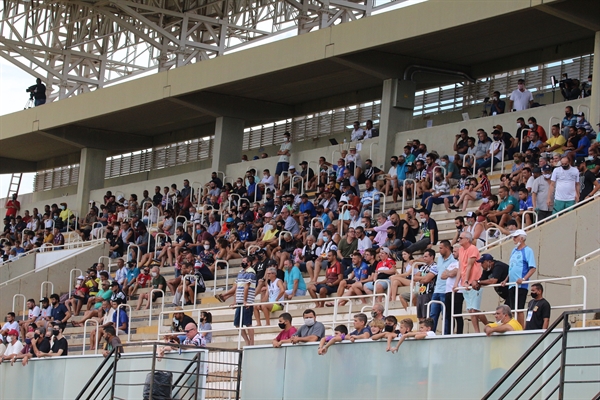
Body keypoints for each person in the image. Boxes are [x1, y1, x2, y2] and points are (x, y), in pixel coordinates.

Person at [503, 230, 536, 328]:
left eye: (516, 237)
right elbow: (511, 268)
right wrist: (506, 280)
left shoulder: (528, 250)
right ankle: (515, 326)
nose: (514, 239)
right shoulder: (514, 251)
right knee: (513, 309)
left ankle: (521, 328)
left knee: (519, 308)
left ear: (521, 238)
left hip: (521, 285)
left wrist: (524, 279)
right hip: (512, 284)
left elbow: (533, 268)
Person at [454, 231, 484, 333]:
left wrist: (466, 281)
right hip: (465, 282)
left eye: (461, 238)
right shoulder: (461, 250)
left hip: (474, 282)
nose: (459, 240)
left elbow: (470, 266)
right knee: (470, 309)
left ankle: (478, 331)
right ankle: (482, 328)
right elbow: (461, 267)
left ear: (467, 239)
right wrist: (456, 283)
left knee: (474, 309)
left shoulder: (472, 249)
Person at [429, 240, 454, 333]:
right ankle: (431, 333)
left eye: (441, 248)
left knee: (446, 315)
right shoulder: (439, 259)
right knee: (433, 314)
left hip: (446, 290)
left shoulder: (453, 259)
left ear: (447, 248)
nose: (439, 250)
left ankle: (446, 335)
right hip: (437, 290)